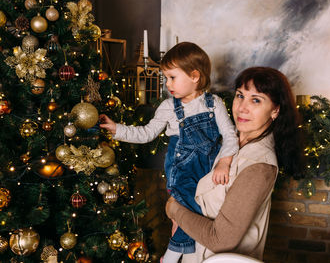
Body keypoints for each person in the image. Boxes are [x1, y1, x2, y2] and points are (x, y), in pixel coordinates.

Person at [99, 42, 239, 263]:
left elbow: (231, 136)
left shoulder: (215, 104)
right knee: (191, 213)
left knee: (200, 216)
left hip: (208, 171)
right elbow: (146, 133)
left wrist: (225, 162)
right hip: (181, 170)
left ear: (195, 76)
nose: (167, 84)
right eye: (166, 78)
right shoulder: (168, 107)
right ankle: (171, 257)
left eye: (172, 77)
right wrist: (117, 129)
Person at [166, 66, 304, 263]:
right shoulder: (230, 146)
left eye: (256, 100)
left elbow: (220, 240)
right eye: (240, 96)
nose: (242, 107)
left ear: (275, 110)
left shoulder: (258, 167)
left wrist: (174, 209)